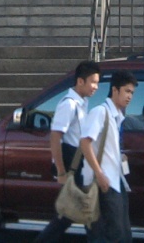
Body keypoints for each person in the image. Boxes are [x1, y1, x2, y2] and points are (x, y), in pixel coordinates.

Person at [35, 60, 101, 243]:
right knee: (70, 215)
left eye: (97, 82)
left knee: (77, 214)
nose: (96, 86)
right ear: (80, 81)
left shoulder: (83, 103)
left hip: (80, 165)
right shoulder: (69, 104)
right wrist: (61, 172)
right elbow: (56, 138)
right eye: (93, 82)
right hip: (72, 165)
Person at [81, 69, 137, 243]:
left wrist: (119, 156)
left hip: (115, 181)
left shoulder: (117, 117)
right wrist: (99, 173)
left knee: (122, 233)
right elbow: (85, 143)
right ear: (115, 90)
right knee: (107, 234)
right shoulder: (100, 112)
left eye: (132, 93)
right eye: (127, 91)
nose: (130, 97)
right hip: (102, 183)